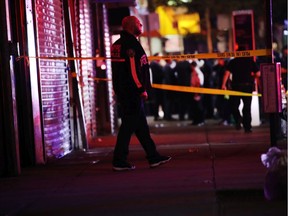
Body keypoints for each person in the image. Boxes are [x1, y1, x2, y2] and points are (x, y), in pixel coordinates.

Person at [110, 16, 171, 171]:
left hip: (125, 92)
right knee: (128, 126)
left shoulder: (118, 45)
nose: (141, 25)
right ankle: (119, 160)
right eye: (139, 23)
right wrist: (141, 89)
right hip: (132, 93)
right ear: (131, 26)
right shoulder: (130, 45)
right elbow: (133, 70)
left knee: (141, 128)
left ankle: (153, 157)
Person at [221, 47, 260, 133]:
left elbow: (226, 73)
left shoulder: (233, 62)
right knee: (247, 107)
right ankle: (247, 127)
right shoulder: (250, 61)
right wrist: (251, 77)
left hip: (236, 87)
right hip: (247, 86)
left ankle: (238, 119)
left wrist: (223, 85)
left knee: (233, 105)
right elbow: (258, 74)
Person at [149, 53, 164, 121]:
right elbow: (160, 74)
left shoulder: (153, 64)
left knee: (157, 101)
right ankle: (156, 115)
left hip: (156, 86)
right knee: (156, 101)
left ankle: (156, 115)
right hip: (156, 86)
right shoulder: (154, 64)